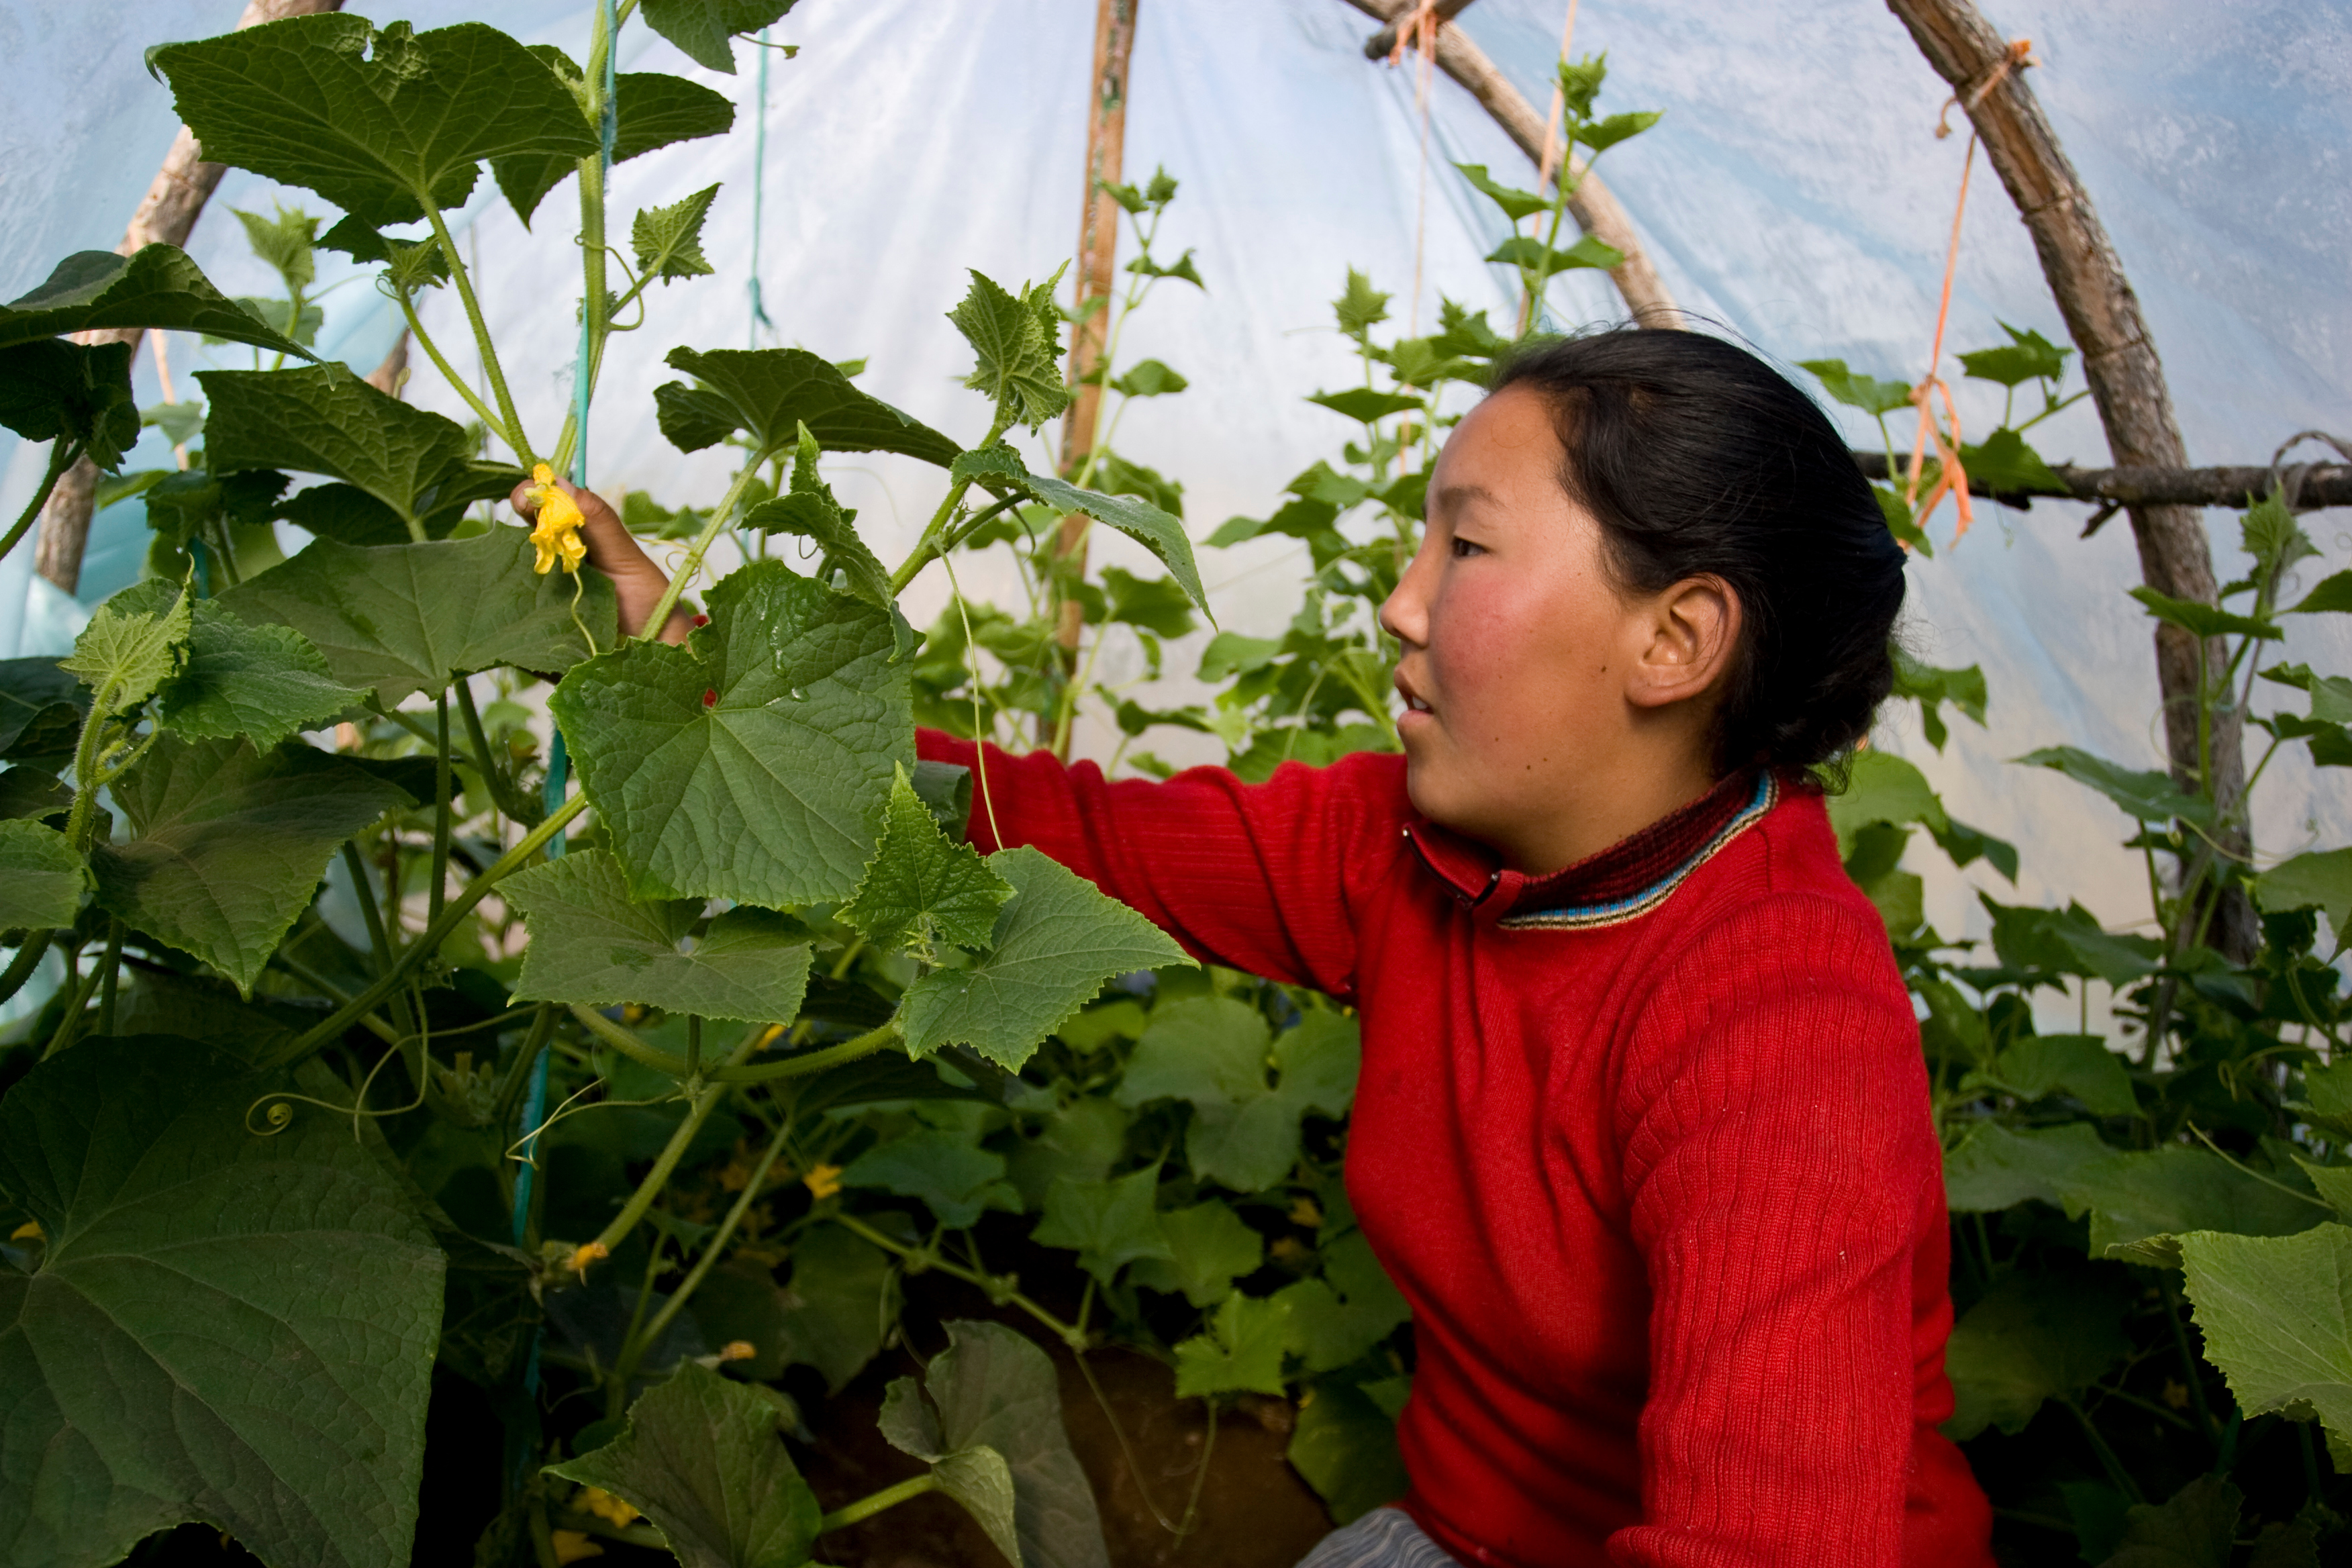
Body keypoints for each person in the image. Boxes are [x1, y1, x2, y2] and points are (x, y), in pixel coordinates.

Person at [526, 327, 1994, 1568]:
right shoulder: (1402, 851)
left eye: (1467, 544)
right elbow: (1063, 834)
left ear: (1676, 642)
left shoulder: (1780, 1013)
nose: (1403, 601)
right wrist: (721, 699)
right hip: (1465, 1531)